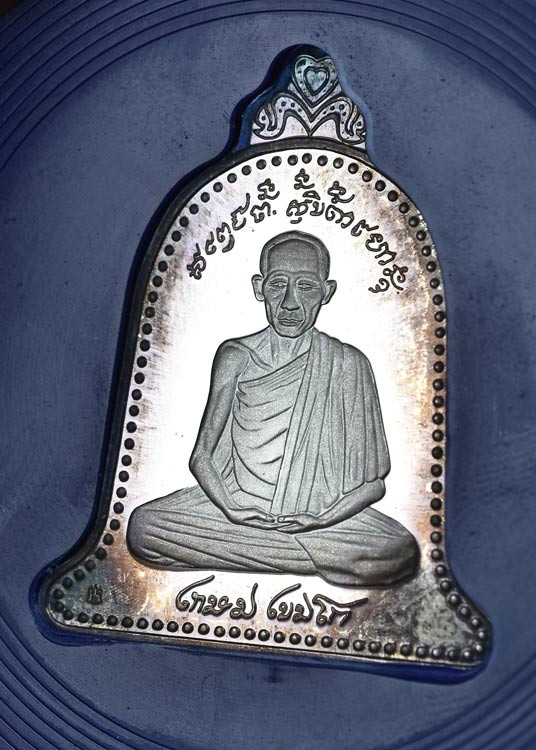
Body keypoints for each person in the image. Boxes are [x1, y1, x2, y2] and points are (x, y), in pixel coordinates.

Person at [127, 230, 419, 586]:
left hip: (320, 517)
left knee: (398, 551)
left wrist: (320, 521)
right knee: (144, 528)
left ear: (327, 293)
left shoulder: (347, 364)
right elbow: (201, 457)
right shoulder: (236, 356)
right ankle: (313, 558)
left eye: (306, 287)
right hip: (236, 506)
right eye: (278, 284)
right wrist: (232, 510)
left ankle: (270, 551)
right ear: (259, 288)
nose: (290, 303)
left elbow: (372, 486)